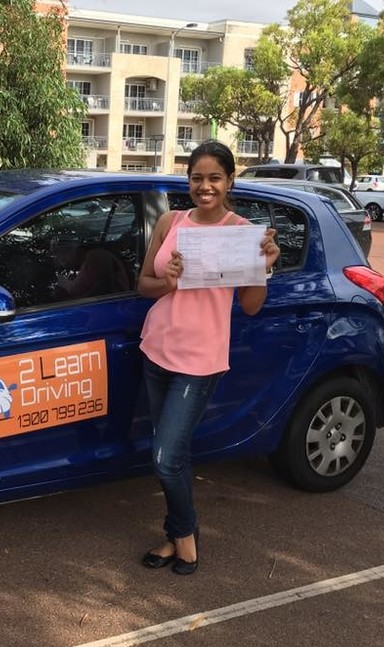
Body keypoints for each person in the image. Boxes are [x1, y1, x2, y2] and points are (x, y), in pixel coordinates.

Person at [136, 140, 280, 575]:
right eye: (197, 178)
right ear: (189, 181)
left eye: (214, 177)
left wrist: (266, 266)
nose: (205, 186)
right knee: (172, 453)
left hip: (199, 362)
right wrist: (169, 283)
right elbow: (143, 284)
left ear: (230, 180)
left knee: (164, 457)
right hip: (156, 348)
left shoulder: (242, 232)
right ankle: (177, 534)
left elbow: (252, 305)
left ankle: (184, 535)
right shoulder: (170, 221)